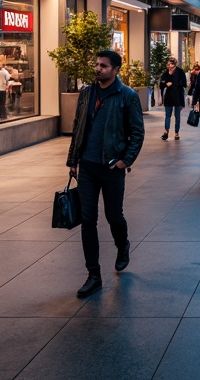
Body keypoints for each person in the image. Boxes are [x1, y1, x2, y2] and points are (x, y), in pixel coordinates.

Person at [66, 49, 145, 298]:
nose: (98, 68)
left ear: (115, 69)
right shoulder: (87, 93)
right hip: (87, 166)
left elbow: (137, 133)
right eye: (97, 64)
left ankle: (123, 245)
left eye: (104, 65)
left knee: (114, 216)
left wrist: (124, 161)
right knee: (88, 220)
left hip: (112, 167)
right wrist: (73, 160)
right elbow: (78, 126)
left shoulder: (127, 96)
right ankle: (93, 275)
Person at [158, 57, 188, 140]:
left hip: (178, 96)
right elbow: (161, 84)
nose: (169, 66)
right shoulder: (166, 73)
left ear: (174, 65)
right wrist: (166, 84)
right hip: (168, 96)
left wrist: (174, 83)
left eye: (170, 64)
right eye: (168, 64)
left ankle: (176, 132)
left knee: (177, 115)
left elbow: (184, 83)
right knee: (168, 115)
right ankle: (166, 131)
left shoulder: (180, 72)